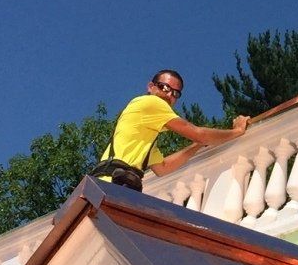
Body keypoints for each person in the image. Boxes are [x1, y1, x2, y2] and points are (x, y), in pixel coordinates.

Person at [95, 69, 250, 190]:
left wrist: (197, 145)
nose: (169, 94)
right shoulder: (151, 103)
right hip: (113, 184)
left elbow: (162, 168)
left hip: (111, 184)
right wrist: (237, 131)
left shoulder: (146, 134)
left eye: (176, 93)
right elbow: (199, 134)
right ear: (151, 87)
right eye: (164, 87)